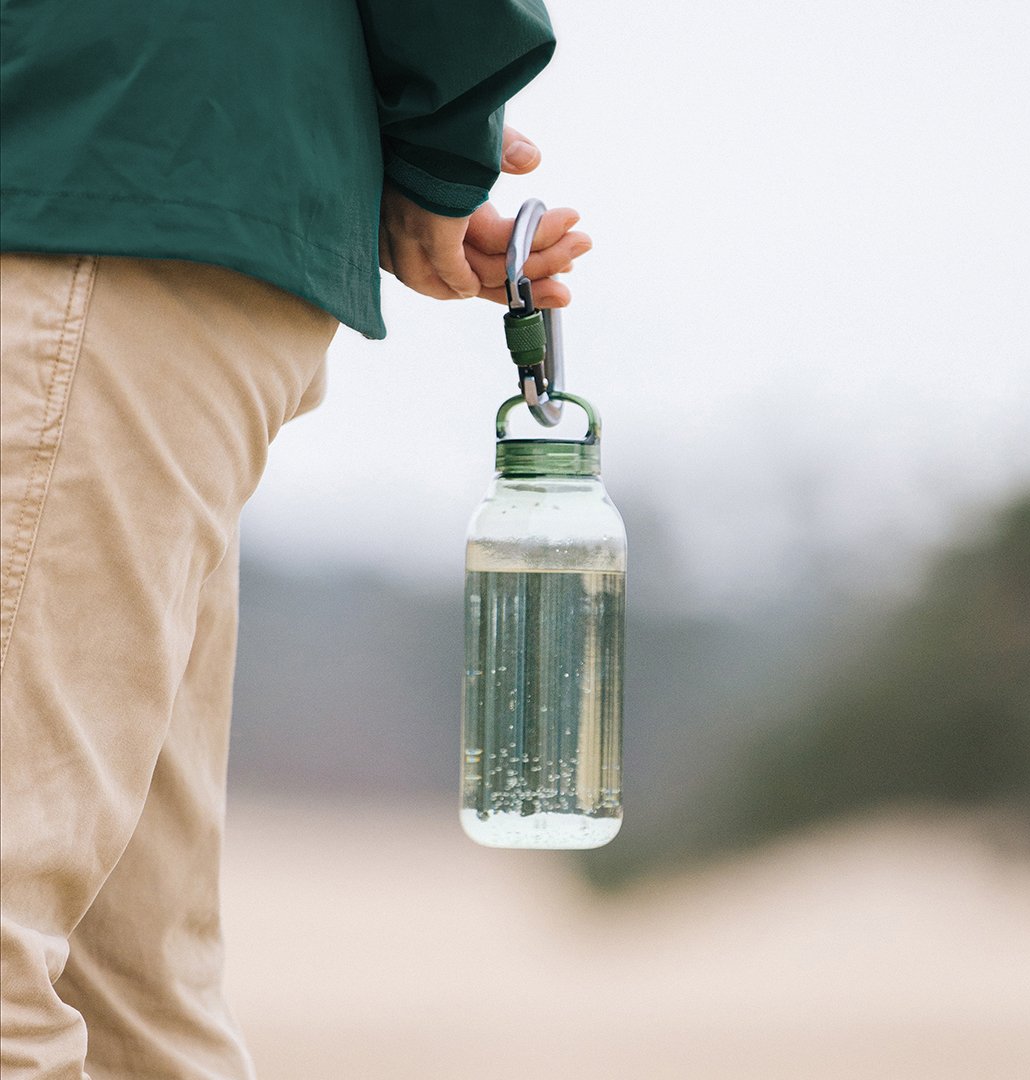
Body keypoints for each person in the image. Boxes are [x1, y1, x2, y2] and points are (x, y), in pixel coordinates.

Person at [0, 2, 590, 1075]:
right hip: (121, 187)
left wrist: (432, 154)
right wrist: (422, 154)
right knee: (127, 990)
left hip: (87, 172)